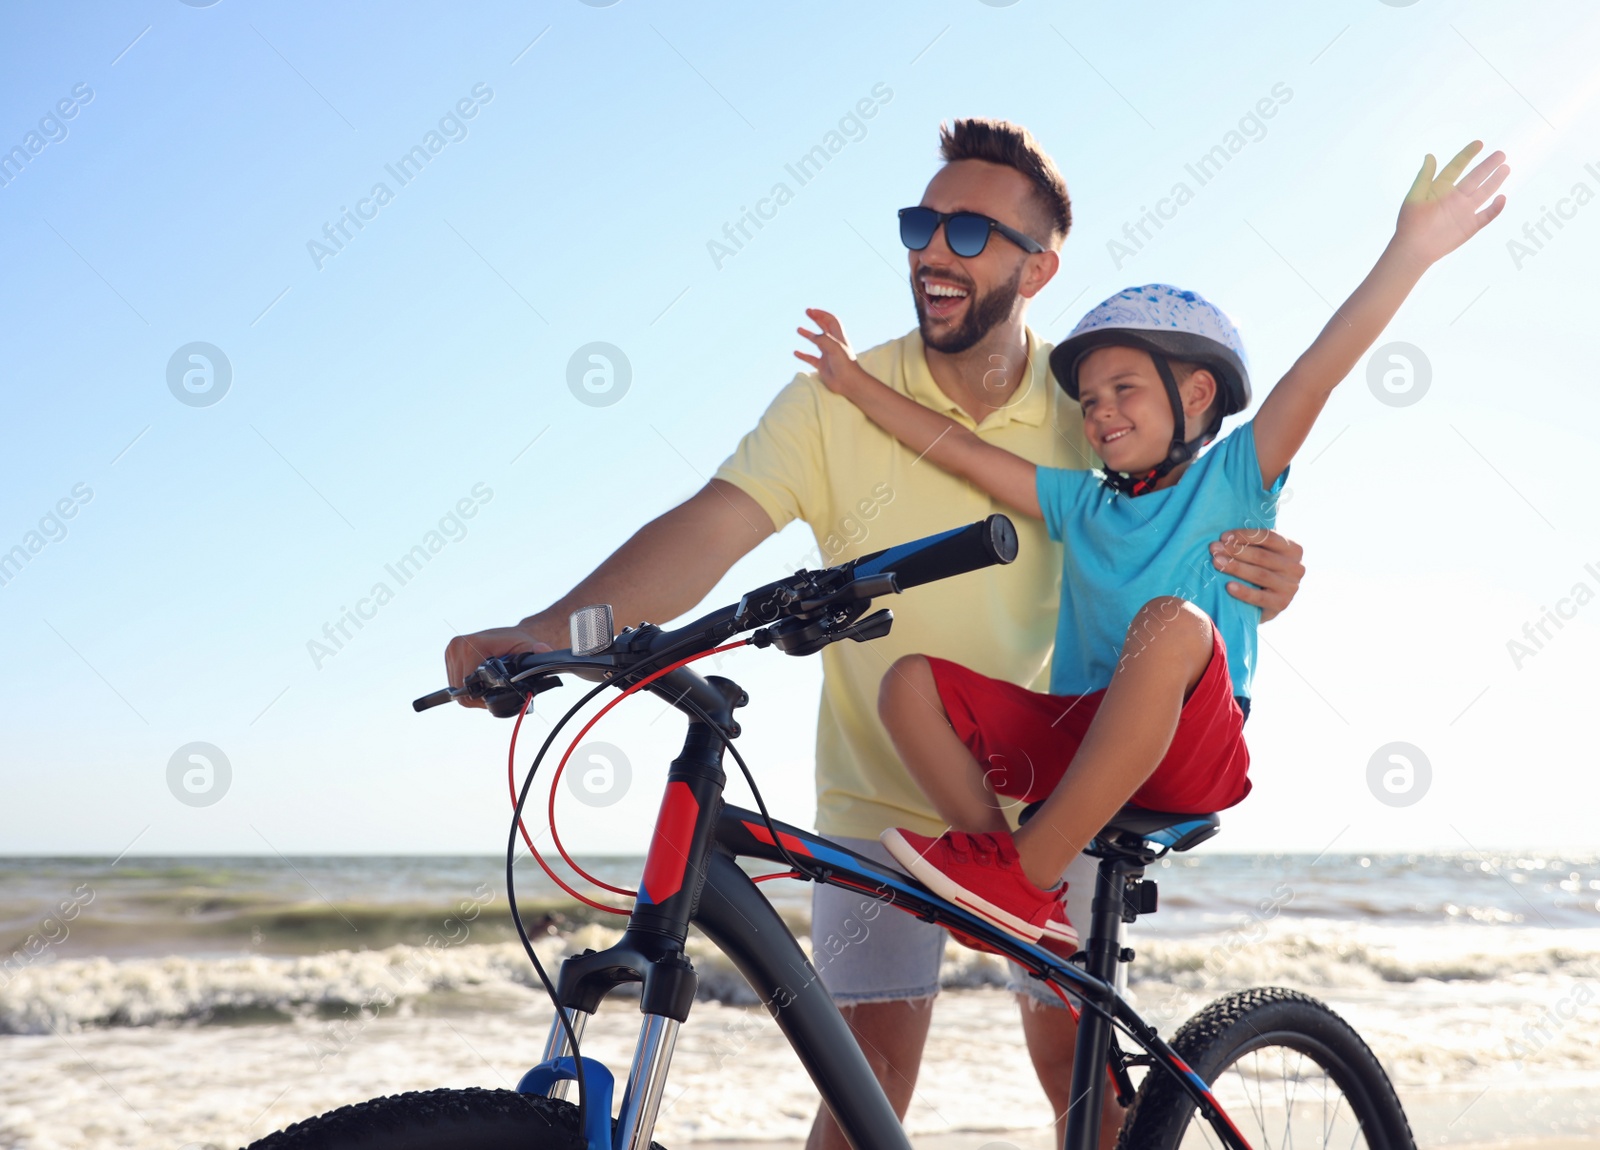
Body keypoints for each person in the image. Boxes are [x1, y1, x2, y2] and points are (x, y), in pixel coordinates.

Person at [445, 118, 1309, 1150]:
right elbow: (711, 525)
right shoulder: (833, 405)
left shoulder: (1086, 401)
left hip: (1058, 786)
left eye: (970, 232)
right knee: (865, 1089)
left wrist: (1264, 575)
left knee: (1079, 1086)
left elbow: (1184, 523)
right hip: (874, 789)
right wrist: (549, 630)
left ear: (1040, 265)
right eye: (920, 224)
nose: (933, 251)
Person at [796, 141, 1508, 955]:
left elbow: (1318, 373)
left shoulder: (1235, 480)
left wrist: (1410, 249)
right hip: (1076, 745)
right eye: (1090, 400)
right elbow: (962, 452)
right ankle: (1010, 879)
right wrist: (854, 383)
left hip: (1192, 751)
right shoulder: (1082, 502)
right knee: (909, 683)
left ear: (1195, 394)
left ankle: (1027, 874)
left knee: (1169, 621)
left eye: (1123, 390)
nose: (1099, 414)